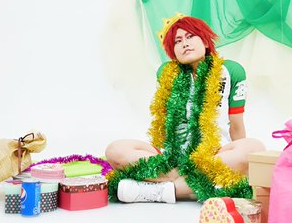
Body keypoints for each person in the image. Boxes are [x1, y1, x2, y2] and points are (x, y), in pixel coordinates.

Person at [105, 14, 265, 203]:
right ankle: (191, 184)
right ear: (172, 50)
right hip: (171, 157)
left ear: (204, 40)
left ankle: (159, 190)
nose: (185, 44)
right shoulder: (166, 73)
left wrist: (241, 163)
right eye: (177, 41)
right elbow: (165, 124)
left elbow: (237, 126)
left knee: (255, 149)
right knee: (115, 150)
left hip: (215, 154)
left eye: (190, 36)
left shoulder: (231, 71)